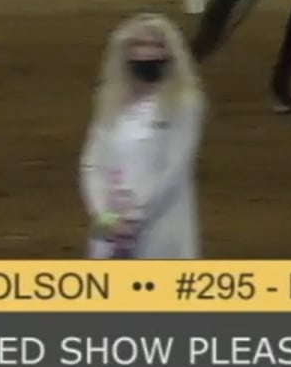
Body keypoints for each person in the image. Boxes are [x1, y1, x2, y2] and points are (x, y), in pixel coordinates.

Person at [79, 13, 207, 259]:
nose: (147, 53)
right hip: (110, 230)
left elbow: (174, 169)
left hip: (161, 230)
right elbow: (92, 165)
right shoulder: (110, 104)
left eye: (156, 46)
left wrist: (134, 217)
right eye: (139, 45)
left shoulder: (184, 105)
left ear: (170, 54)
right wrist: (107, 218)